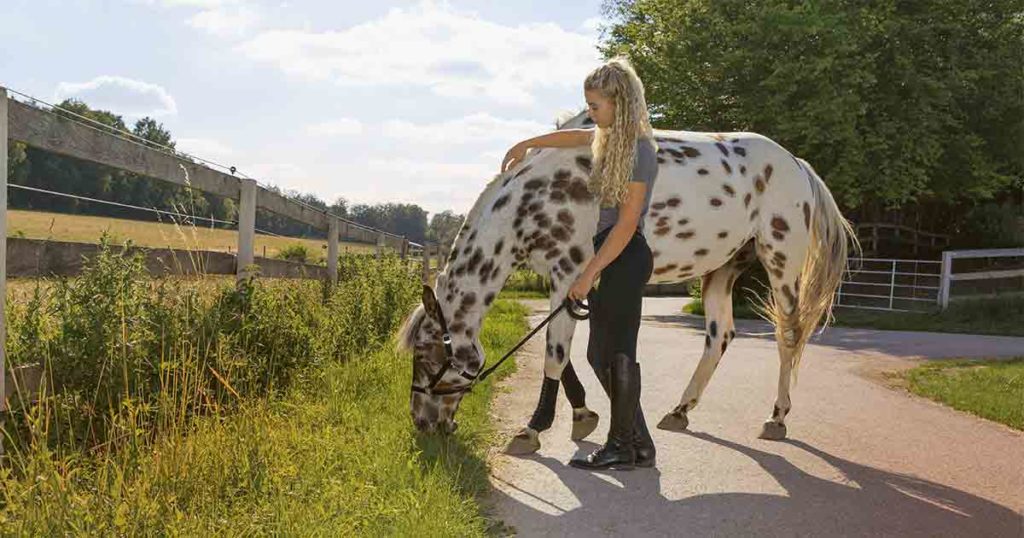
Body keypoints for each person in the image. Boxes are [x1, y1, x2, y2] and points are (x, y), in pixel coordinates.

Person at [501, 57, 659, 470]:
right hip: (613, 254)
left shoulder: (640, 151)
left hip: (624, 254)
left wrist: (588, 273)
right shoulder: (609, 139)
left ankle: (622, 446)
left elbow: (627, 224)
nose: (591, 113)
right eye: (589, 105)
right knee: (598, 354)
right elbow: (576, 136)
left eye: (596, 106)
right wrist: (528, 144)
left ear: (619, 104)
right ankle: (638, 444)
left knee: (616, 352)